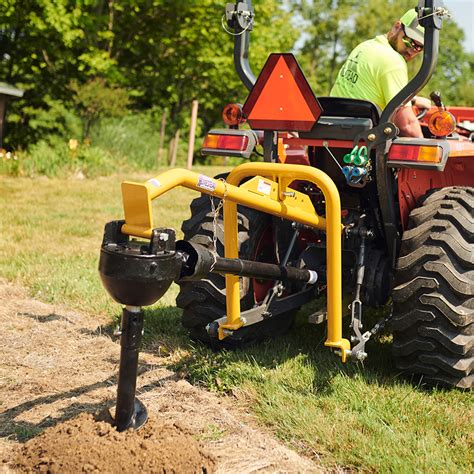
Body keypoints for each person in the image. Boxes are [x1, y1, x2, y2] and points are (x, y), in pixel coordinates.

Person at [330, 9, 431, 137]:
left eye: (419, 47)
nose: (412, 51)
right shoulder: (394, 61)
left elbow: (365, 89)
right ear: (396, 27)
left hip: (336, 133)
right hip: (365, 146)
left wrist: (414, 100)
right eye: (409, 42)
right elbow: (407, 125)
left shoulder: (365, 46)